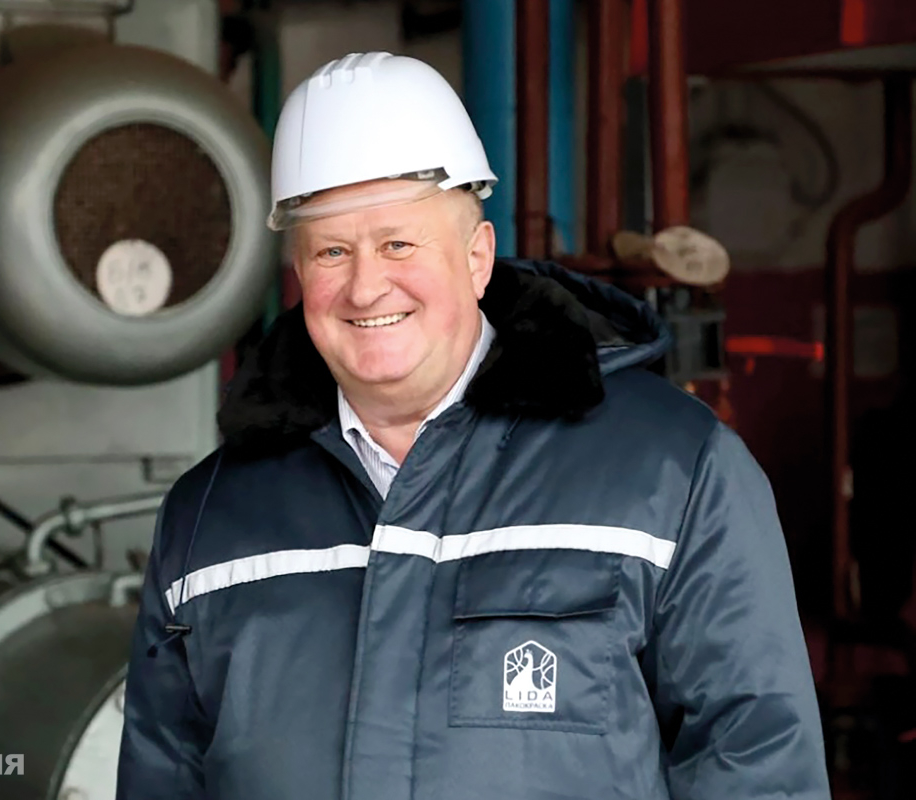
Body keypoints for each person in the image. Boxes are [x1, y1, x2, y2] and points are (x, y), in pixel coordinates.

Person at [117, 52, 830, 800]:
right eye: (332, 251)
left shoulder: (673, 472)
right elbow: (162, 777)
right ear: (298, 272)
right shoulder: (212, 516)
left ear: (478, 257)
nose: (366, 286)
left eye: (398, 243)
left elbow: (759, 766)